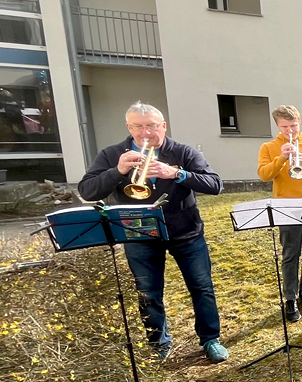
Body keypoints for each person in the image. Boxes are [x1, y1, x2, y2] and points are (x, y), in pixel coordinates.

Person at [78, 101, 228, 363]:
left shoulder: (182, 152)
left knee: (202, 287)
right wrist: (118, 171)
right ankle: (159, 343)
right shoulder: (113, 154)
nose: (145, 133)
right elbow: (87, 191)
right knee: (147, 292)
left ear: (163, 126)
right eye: (138, 127)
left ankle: (210, 339)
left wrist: (177, 174)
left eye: (151, 126)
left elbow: (215, 184)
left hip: (185, 233)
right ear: (128, 127)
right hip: (139, 234)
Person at [257, 105, 302, 323]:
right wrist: (281, 158)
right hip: (286, 204)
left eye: (293, 125)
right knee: (290, 253)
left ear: (300, 122)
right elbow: (264, 175)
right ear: (278, 126)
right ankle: (290, 298)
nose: (290, 130)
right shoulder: (269, 147)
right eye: (285, 127)